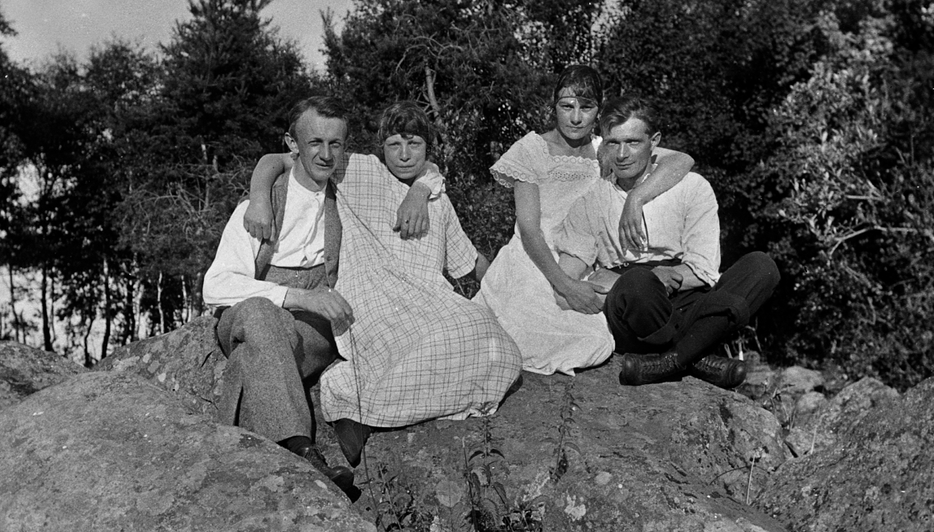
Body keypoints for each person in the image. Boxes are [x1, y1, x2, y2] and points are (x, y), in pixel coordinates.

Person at [245, 102, 521, 467]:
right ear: (381, 147)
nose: (404, 155)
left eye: (415, 144)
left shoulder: (438, 199)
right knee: (442, 342)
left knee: (499, 345)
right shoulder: (357, 171)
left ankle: (362, 411)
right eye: (394, 145)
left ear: (428, 148)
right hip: (371, 300)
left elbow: (470, 263)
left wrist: (516, 294)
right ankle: (360, 404)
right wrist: (259, 198)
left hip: (429, 301)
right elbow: (277, 160)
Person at [473, 65, 696, 375]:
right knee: (556, 336)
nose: (576, 118)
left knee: (601, 338)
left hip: (585, 259)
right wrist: (566, 286)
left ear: (598, 111)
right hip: (534, 262)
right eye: (567, 106)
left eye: (586, 107)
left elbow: (682, 160)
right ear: (554, 107)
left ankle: (680, 358)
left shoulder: (607, 147)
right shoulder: (532, 149)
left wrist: (636, 197)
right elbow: (529, 231)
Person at [551, 94, 780, 388]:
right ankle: (695, 353)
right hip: (632, 305)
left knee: (762, 267)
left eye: (633, 142)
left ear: (655, 141)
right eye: (613, 143)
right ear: (603, 144)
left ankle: (669, 362)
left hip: (685, 296)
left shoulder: (692, 188)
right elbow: (566, 287)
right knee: (638, 283)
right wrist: (614, 281)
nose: (622, 154)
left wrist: (663, 277)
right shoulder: (590, 201)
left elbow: (703, 270)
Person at [202, 95, 359, 500]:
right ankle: (302, 450)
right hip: (252, 313)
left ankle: (254, 464)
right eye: (315, 143)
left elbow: (415, 163)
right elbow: (215, 286)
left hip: (310, 329)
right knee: (260, 316)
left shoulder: (348, 196)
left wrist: (422, 188)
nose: (326, 155)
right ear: (293, 145)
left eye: (336, 144)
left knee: (254, 357)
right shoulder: (260, 205)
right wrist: (297, 297)